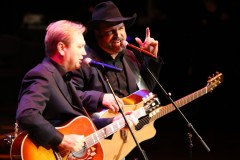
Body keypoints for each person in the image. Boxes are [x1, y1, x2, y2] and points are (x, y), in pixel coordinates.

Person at [14, 20, 139, 160]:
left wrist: (115, 121)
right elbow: (27, 115)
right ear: (61, 48)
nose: (84, 53)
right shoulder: (42, 75)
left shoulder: (63, 77)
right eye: (79, 47)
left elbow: (80, 124)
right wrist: (61, 140)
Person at [71, 1, 163, 159]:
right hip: (100, 140)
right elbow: (71, 96)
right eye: (110, 31)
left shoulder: (130, 56)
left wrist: (150, 59)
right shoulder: (83, 60)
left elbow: (145, 91)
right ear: (98, 34)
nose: (118, 35)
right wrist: (100, 98)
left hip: (129, 138)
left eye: (121, 28)